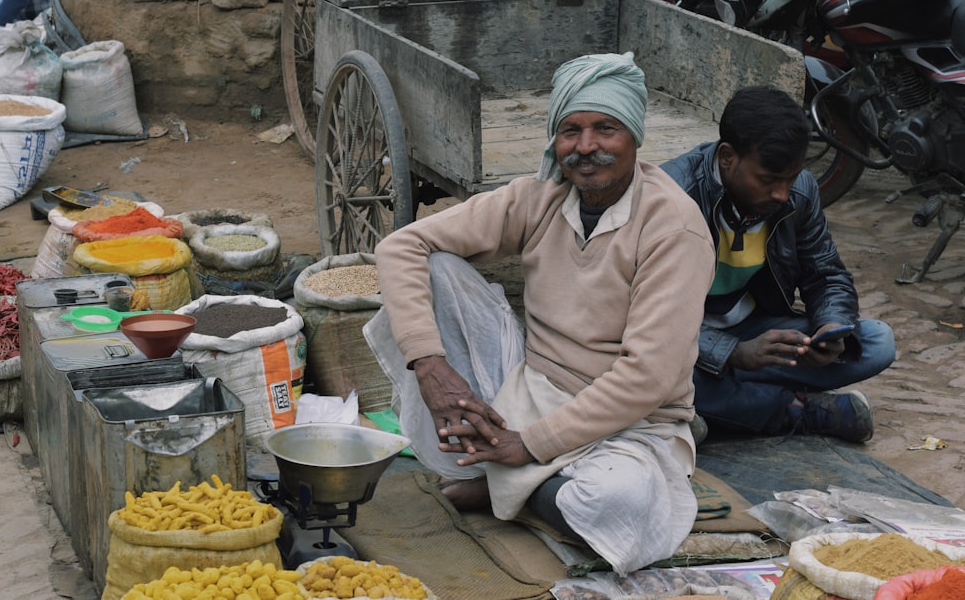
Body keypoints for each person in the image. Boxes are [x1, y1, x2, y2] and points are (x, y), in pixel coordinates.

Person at [363, 51, 717, 575]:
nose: (586, 147)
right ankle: (522, 485)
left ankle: (508, 489)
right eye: (570, 130)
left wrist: (527, 445)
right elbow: (400, 248)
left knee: (614, 506)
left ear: (635, 136)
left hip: (625, 421)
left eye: (606, 128)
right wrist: (431, 367)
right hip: (529, 385)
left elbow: (646, 378)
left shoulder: (674, 229)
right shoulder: (542, 196)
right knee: (433, 267)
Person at [660, 85, 896, 444]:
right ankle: (793, 410)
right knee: (648, 371)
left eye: (790, 178)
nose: (782, 194)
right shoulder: (671, 196)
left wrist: (831, 327)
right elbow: (646, 318)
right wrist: (733, 354)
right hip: (678, 341)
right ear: (727, 157)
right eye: (769, 180)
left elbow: (826, 273)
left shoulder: (799, 190)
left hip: (752, 332)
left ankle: (707, 405)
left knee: (876, 342)